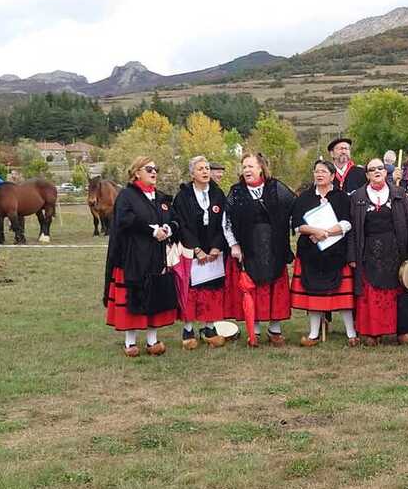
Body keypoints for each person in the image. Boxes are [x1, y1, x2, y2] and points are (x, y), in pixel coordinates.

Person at [103, 157, 178, 357]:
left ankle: (152, 341)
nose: (154, 172)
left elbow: (173, 218)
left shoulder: (161, 197)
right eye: (149, 169)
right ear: (137, 172)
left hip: (156, 256)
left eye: (156, 168)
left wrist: (168, 228)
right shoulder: (127, 195)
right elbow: (125, 219)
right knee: (133, 296)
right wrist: (151, 231)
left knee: (155, 294)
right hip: (133, 256)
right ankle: (130, 342)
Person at [223, 152, 296, 346]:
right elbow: (226, 221)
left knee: (275, 287)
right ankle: (253, 331)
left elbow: (294, 208)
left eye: (250, 166)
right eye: (244, 166)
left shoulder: (276, 188)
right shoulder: (236, 192)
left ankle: (275, 330)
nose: (246, 170)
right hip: (249, 247)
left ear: (261, 168)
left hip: (274, 247)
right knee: (252, 287)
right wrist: (234, 244)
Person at [346, 158, 408, 345]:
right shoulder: (357, 197)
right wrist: (352, 256)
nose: (377, 171)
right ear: (367, 174)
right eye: (372, 169)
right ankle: (373, 332)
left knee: (398, 290)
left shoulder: (399, 193)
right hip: (368, 250)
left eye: (380, 168)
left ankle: (401, 330)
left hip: (395, 249)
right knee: (371, 291)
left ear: (386, 172)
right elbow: (353, 229)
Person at [290, 159, 358, 346]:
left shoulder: (342, 197)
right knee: (313, 295)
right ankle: (313, 334)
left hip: (336, 253)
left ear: (332, 175)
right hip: (310, 254)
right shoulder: (304, 198)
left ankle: (351, 334)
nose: (319, 175)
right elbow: (297, 225)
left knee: (343, 296)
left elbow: (347, 223)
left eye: (323, 172)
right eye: (316, 171)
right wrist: (313, 231)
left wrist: (325, 233)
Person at [171, 156, 229, 349]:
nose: (205, 172)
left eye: (206, 168)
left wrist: (216, 247)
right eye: (200, 169)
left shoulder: (218, 194)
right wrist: (196, 249)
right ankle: (188, 329)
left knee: (211, 288)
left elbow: (224, 223)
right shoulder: (183, 196)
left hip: (213, 250)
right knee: (191, 289)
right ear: (192, 174)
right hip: (191, 249)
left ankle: (209, 328)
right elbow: (181, 225)